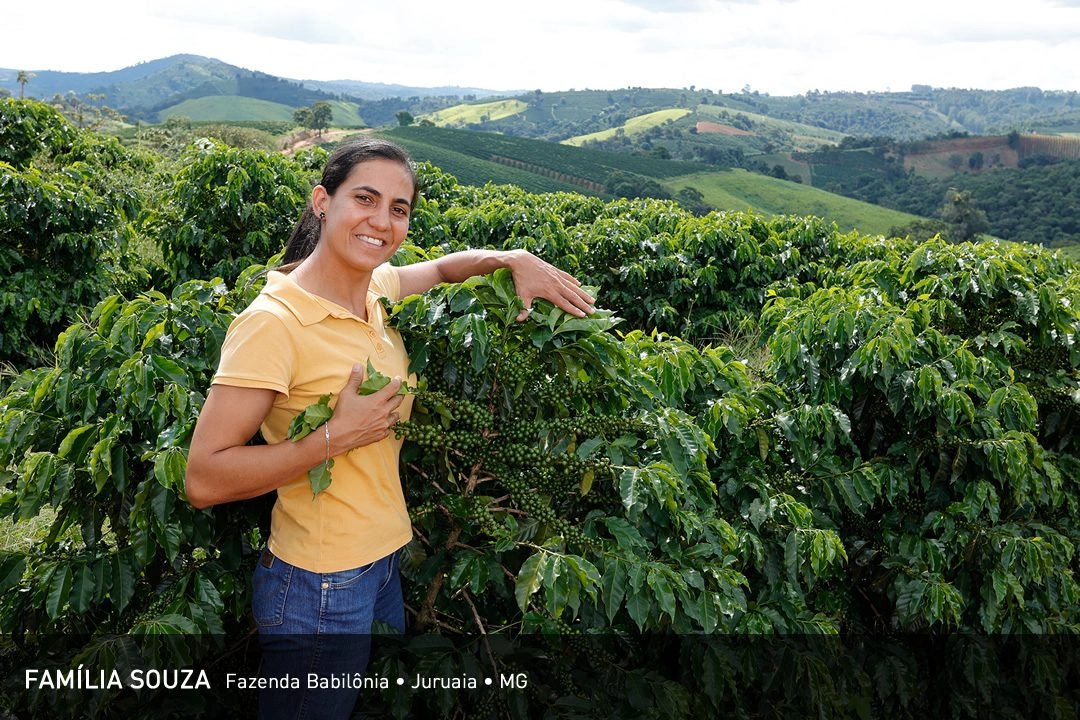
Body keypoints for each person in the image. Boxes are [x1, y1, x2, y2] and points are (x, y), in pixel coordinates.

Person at [184, 137, 593, 719]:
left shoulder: (370, 288)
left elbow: (446, 269)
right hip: (318, 584)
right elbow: (203, 479)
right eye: (365, 199)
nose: (382, 221)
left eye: (398, 209)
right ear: (322, 201)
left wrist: (512, 259)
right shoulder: (273, 325)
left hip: (378, 563)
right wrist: (332, 438)